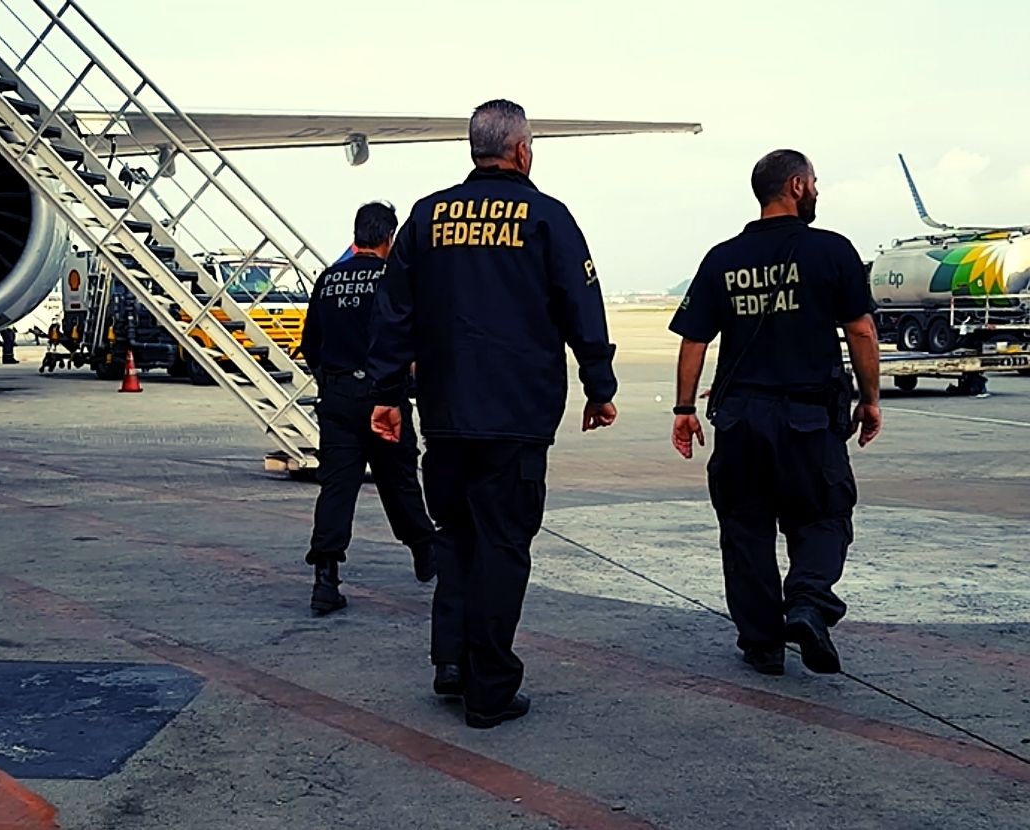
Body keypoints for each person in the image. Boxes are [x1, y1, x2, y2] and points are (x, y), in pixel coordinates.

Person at [365, 99, 618, 728]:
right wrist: (599, 382)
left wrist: (387, 395)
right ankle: (490, 688)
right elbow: (580, 305)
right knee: (504, 545)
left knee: (457, 538)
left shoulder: (426, 217)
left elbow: (394, 314)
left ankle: (451, 662)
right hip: (515, 416)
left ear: (473, 149)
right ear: (523, 150)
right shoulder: (547, 217)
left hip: (446, 413)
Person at [668, 149, 882, 677]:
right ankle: (808, 604)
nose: (816, 190)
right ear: (796, 185)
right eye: (813, 182)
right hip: (808, 419)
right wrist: (871, 399)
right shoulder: (832, 251)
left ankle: (762, 643)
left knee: (745, 529)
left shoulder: (722, 257)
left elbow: (694, 339)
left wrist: (683, 408)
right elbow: (861, 331)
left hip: (740, 420)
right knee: (824, 516)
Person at [300, 201, 443, 616]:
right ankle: (425, 552)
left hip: (339, 399)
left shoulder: (328, 280)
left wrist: (331, 382)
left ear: (357, 235)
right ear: (388, 238)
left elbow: (312, 345)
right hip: (386, 396)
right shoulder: (394, 278)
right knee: (398, 481)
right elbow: (411, 337)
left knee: (337, 487)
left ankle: (325, 579)